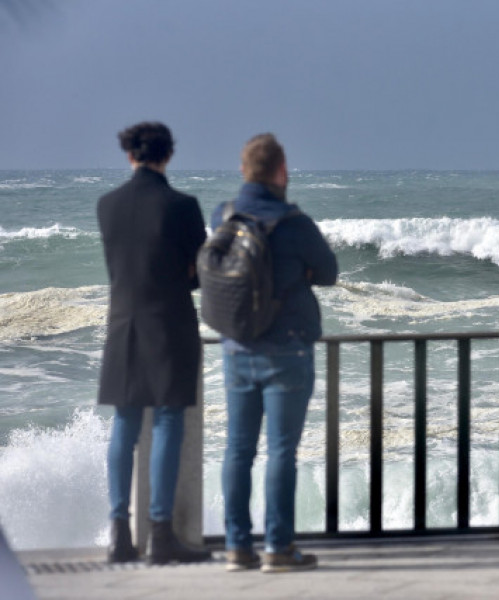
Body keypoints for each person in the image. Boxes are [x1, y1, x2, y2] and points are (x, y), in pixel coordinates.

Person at [212, 133, 338, 573]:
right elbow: (329, 272)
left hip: (236, 348)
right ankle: (278, 549)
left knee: (238, 450)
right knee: (281, 451)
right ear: (282, 172)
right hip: (287, 350)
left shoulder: (224, 215)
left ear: (244, 170)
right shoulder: (295, 223)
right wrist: (298, 269)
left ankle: (236, 546)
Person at [97, 121, 211, 565]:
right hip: (170, 323)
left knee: (124, 424)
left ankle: (119, 534)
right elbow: (199, 272)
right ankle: (160, 534)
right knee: (167, 421)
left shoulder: (108, 205)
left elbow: (119, 267)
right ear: (168, 155)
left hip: (123, 323)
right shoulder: (181, 206)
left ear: (131, 156)